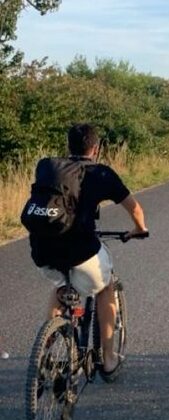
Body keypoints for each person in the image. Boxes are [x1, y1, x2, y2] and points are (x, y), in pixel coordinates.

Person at [29, 123, 148, 380]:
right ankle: (108, 359)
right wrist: (138, 229)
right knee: (105, 286)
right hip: (81, 252)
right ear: (96, 148)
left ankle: (44, 355)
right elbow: (136, 209)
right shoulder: (101, 173)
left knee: (61, 286)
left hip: (42, 252)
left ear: (68, 145)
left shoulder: (48, 166)